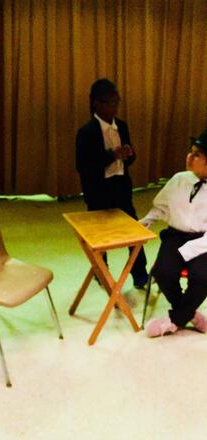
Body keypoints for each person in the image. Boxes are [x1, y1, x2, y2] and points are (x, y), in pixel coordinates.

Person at [75, 78, 149, 288]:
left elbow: (129, 159)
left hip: (121, 187)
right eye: (110, 102)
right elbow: (82, 166)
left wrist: (129, 155)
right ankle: (102, 271)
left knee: (134, 232)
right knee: (100, 236)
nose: (115, 107)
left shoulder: (122, 126)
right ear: (96, 104)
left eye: (117, 102)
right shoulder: (86, 132)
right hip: (98, 191)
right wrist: (111, 155)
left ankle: (140, 273)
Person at [142, 128, 207, 337]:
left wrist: (189, 250)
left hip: (203, 241)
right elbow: (162, 207)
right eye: (190, 151)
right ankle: (189, 314)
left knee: (203, 276)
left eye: (197, 154)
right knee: (163, 272)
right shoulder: (179, 179)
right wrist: (146, 222)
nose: (190, 157)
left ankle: (173, 320)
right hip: (175, 236)